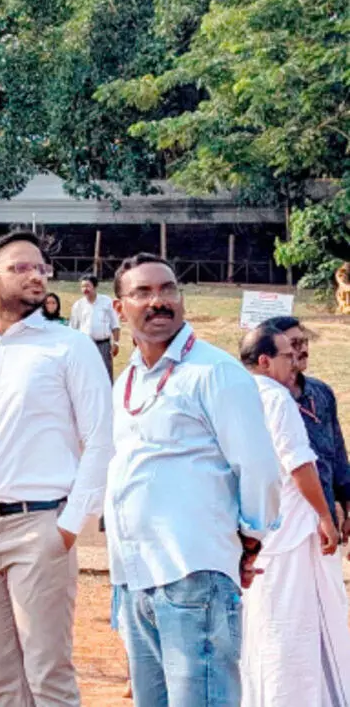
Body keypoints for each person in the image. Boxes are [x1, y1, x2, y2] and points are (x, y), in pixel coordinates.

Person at [0, 231, 113, 707]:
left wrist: (70, 526)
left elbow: (99, 439)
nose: (37, 275)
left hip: (41, 526)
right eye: (22, 267)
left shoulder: (69, 347)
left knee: (48, 673)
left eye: (41, 268)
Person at [105, 253, 280, 707]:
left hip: (192, 572)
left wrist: (250, 541)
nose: (158, 301)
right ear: (119, 308)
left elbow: (259, 467)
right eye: (143, 292)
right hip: (135, 576)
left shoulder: (214, 372)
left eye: (167, 290)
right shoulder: (127, 381)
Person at [238, 324, 349, 707]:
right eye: (288, 354)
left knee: (265, 625)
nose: (296, 361)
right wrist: (323, 514)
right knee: (300, 626)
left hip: (257, 530)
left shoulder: (235, 395)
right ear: (266, 361)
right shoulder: (276, 397)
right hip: (295, 528)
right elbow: (300, 463)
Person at [259, 316, 350, 541]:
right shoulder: (262, 398)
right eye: (294, 345)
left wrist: (346, 507)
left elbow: (337, 455)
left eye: (304, 342)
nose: (303, 350)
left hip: (325, 518)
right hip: (281, 522)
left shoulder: (321, 393)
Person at [69, 273, 121, 378]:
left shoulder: (106, 301)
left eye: (87, 286)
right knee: (86, 374)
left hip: (103, 345)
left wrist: (116, 343)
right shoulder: (78, 305)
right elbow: (73, 328)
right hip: (85, 346)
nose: (85, 289)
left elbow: (115, 324)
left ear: (95, 286)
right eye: (82, 286)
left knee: (105, 374)